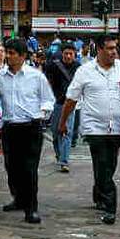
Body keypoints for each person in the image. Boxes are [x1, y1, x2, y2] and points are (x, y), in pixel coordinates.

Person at [59, 35, 120, 225]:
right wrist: (63, 122)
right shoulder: (84, 71)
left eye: (115, 48)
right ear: (99, 49)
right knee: (103, 163)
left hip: (117, 127)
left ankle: (99, 194)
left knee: (107, 164)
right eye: (110, 48)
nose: (114, 51)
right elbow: (71, 99)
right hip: (94, 127)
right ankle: (110, 206)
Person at [0, 39, 55, 224]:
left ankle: (31, 208)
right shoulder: (0, 76)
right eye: (6, 52)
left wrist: (41, 114)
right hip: (9, 128)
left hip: (30, 127)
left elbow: (48, 100)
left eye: (12, 53)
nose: (8, 56)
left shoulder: (36, 76)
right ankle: (18, 198)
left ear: (23, 56)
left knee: (29, 169)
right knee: (12, 167)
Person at [45, 43, 81, 172]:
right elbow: (47, 82)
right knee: (55, 132)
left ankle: (64, 161)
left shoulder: (78, 67)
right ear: (62, 54)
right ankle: (59, 154)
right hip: (57, 104)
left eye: (71, 53)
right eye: (66, 53)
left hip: (71, 104)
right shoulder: (54, 65)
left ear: (75, 54)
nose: (68, 56)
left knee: (66, 132)